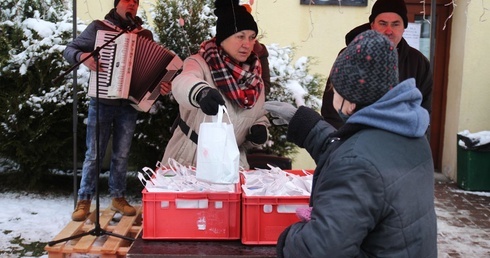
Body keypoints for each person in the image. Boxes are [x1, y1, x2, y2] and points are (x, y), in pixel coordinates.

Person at [264, 30, 437, 257]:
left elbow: (316, 251)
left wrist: (290, 236)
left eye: (335, 88)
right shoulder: (408, 133)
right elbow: (365, 157)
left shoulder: (357, 163)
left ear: (350, 100)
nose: (332, 94)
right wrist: (307, 125)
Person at [63, 0, 171, 221]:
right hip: (102, 99)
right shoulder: (99, 27)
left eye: (135, 1)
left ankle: (118, 197)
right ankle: (84, 200)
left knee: (121, 155)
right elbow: (70, 50)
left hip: (129, 105)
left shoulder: (145, 35)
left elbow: (154, 74)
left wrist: (162, 87)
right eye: (127, 0)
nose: (131, 4)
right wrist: (83, 58)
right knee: (94, 154)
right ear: (117, 4)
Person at [161, 0, 269, 170]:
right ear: (223, 38)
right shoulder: (199, 63)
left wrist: (260, 130)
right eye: (240, 36)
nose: (247, 44)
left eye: (251, 37)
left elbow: (259, 115)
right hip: (189, 160)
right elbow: (182, 82)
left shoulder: (255, 80)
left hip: (232, 165)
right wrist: (200, 92)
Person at [321, 0, 433, 130]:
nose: (389, 30)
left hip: (397, 143)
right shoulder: (350, 57)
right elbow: (332, 111)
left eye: (395, 24)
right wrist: (343, 142)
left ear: (404, 27)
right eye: (383, 23)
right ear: (372, 25)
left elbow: (424, 110)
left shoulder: (418, 63)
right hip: (354, 142)